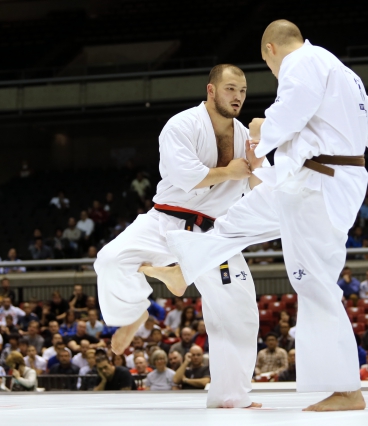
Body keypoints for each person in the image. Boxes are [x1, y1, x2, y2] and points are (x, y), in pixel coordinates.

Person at [163, 19, 368, 412]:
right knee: (237, 222)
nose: (273, 73)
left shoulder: (302, 62)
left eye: (268, 65)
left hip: (320, 182)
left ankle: (346, 389)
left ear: (271, 50)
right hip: (304, 178)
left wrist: (261, 129)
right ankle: (185, 267)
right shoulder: (342, 73)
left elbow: (287, 116)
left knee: (312, 279)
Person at [93, 63, 262, 409]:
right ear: (211, 90)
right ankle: (134, 313)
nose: (238, 97)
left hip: (214, 234)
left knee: (239, 311)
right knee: (110, 259)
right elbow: (186, 176)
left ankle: (230, 395)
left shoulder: (246, 137)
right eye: (230, 89)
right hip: (166, 219)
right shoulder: (182, 125)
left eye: (243, 91)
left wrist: (258, 157)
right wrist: (229, 171)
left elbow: (258, 189)